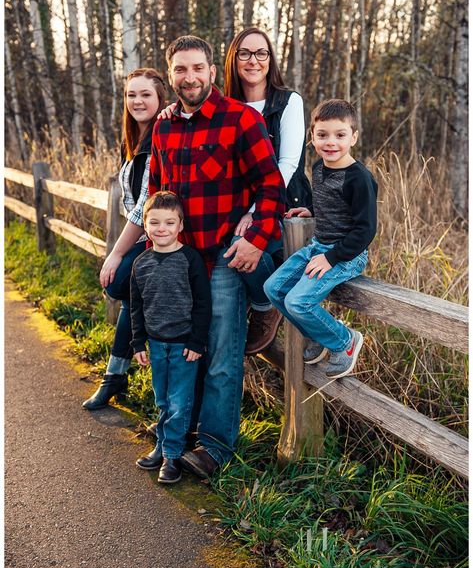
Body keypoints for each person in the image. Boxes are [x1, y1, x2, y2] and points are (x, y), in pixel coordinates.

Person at [149, 35, 285, 478]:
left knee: (223, 356)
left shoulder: (240, 119)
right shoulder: (163, 126)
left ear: (211, 70)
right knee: (182, 351)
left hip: (226, 257)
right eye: (180, 70)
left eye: (197, 68)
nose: (189, 78)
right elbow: (157, 194)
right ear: (170, 74)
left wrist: (256, 240)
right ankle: (178, 432)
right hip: (181, 262)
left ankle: (215, 447)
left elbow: (271, 186)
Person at [264, 99, 378, 379]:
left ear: (353, 137)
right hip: (318, 246)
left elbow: (365, 230)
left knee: (298, 302)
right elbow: (330, 203)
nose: (331, 142)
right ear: (312, 136)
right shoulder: (318, 168)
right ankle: (317, 336)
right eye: (322, 135)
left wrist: (331, 258)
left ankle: (344, 341)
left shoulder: (358, 179)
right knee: (273, 288)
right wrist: (310, 210)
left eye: (340, 135)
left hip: (346, 254)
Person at [223, 27, 313, 354]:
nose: (253, 60)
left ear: (270, 59)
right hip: (238, 204)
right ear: (234, 59)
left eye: (261, 53)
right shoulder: (225, 106)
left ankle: (265, 305)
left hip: (283, 203)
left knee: (240, 241)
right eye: (245, 53)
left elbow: (287, 163)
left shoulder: (287, 102)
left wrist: (253, 213)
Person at [82, 68, 166, 410]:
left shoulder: (161, 137)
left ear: (161, 98)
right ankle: (114, 376)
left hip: (160, 237)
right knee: (132, 296)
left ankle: (117, 377)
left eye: (145, 94)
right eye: (132, 94)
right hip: (143, 237)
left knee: (119, 284)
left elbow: (146, 203)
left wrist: (115, 253)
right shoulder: (131, 141)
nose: (137, 101)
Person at [130, 191, 211, 484]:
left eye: (169, 222)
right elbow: (136, 307)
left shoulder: (190, 260)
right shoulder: (141, 263)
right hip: (155, 342)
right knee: (162, 400)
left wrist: (196, 341)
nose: (161, 228)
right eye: (154, 222)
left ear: (180, 226)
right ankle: (162, 446)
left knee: (179, 403)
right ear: (146, 226)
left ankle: (172, 456)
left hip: (183, 345)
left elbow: (204, 303)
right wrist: (138, 343)